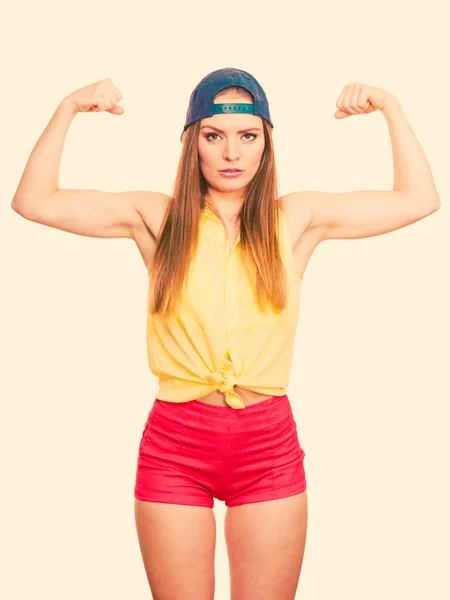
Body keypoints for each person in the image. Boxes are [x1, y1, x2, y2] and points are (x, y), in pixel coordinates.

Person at [11, 68, 440, 600]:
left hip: (268, 447)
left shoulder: (297, 219)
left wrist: (390, 107)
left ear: (265, 144)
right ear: (194, 145)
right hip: (176, 444)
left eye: (247, 136)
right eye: (214, 136)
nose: (231, 153)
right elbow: (34, 201)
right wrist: (69, 107)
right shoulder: (157, 219)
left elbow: (418, 199)